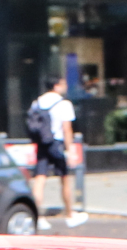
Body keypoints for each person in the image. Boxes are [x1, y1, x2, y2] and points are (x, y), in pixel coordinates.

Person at [26, 71, 85, 227]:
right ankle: (70, 215)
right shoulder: (64, 104)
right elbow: (67, 129)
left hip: (42, 144)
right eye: (63, 84)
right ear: (56, 85)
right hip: (57, 144)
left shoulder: (37, 102)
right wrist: (70, 150)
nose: (65, 87)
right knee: (65, 178)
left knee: (40, 179)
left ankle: (37, 217)